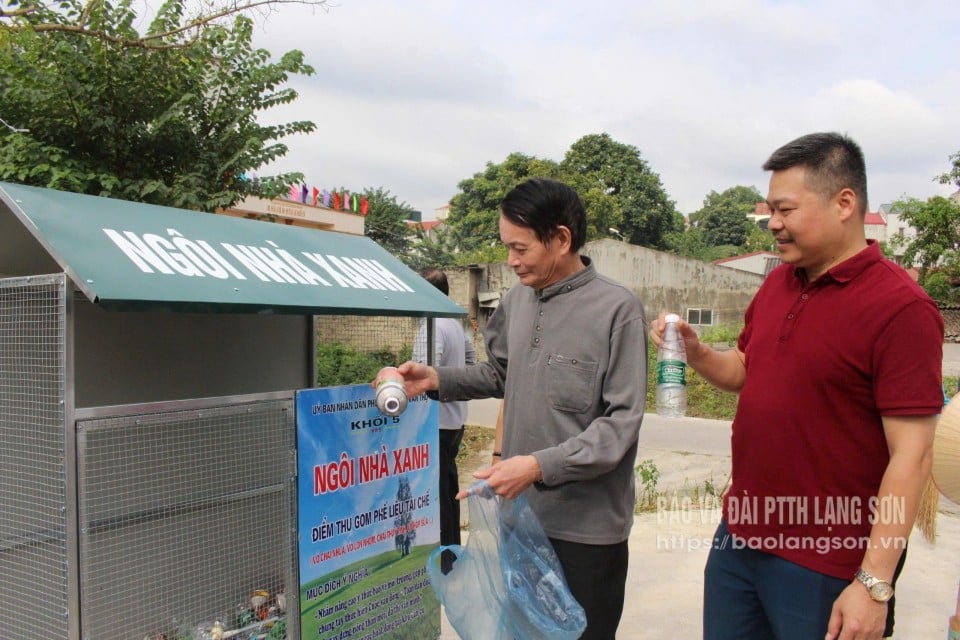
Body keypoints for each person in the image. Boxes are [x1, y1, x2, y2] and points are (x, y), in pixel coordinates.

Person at [650, 132, 943, 640]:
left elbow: (912, 457)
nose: (773, 224)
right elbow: (743, 369)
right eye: (770, 210)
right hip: (740, 542)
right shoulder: (777, 282)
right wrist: (697, 353)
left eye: (785, 209)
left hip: (828, 563)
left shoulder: (902, 308)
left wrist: (874, 583)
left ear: (844, 203)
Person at [395, 178, 648, 639]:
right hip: (520, 521)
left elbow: (619, 427)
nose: (511, 261)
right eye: (506, 246)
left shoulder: (617, 310)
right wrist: (436, 380)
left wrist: (536, 466)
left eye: (521, 248)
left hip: (585, 532)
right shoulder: (517, 301)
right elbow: (501, 374)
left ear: (562, 238)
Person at [412, 268, 476, 574]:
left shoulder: (431, 324)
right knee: (448, 489)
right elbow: (472, 363)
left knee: (436, 495)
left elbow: (425, 371)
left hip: (434, 423)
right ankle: (453, 553)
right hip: (455, 421)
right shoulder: (455, 324)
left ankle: (445, 560)